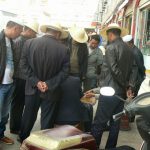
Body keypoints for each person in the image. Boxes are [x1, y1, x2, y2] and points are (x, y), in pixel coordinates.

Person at [85, 23, 138, 149]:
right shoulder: (128, 49)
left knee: (99, 122)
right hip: (120, 92)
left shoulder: (111, 48)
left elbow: (114, 70)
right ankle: (111, 147)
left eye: (108, 35)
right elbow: (133, 70)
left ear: (110, 34)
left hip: (110, 90)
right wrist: (129, 86)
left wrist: (126, 85)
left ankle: (93, 146)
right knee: (115, 122)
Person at [19, 23, 69, 142]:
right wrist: (49, 84)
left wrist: (36, 82)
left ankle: (23, 139)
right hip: (52, 90)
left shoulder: (29, 43)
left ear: (46, 30)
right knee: (47, 119)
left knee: (28, 116)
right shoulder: (64, 49)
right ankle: (44, 143)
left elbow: (23, 65)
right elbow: (65, 71)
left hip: (32, 88)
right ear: (57, 33)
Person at [10, 20, 39, 134]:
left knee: (21, 102)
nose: (35, 34)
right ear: (29, 30)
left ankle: (17, 125)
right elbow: (16, 61)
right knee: (17, 103)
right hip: (19, 77)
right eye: (34, 32)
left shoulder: (28, 40)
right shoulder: (19, 41)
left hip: (25, 77)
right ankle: (14, 127)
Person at [0, 20, 23, 144]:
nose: (19, 34)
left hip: (9, 82)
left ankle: (1, 134)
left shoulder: (11, 41)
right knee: (1, 113)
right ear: (14, 28)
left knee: (4, 113)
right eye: (19, 31)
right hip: (2, 84)